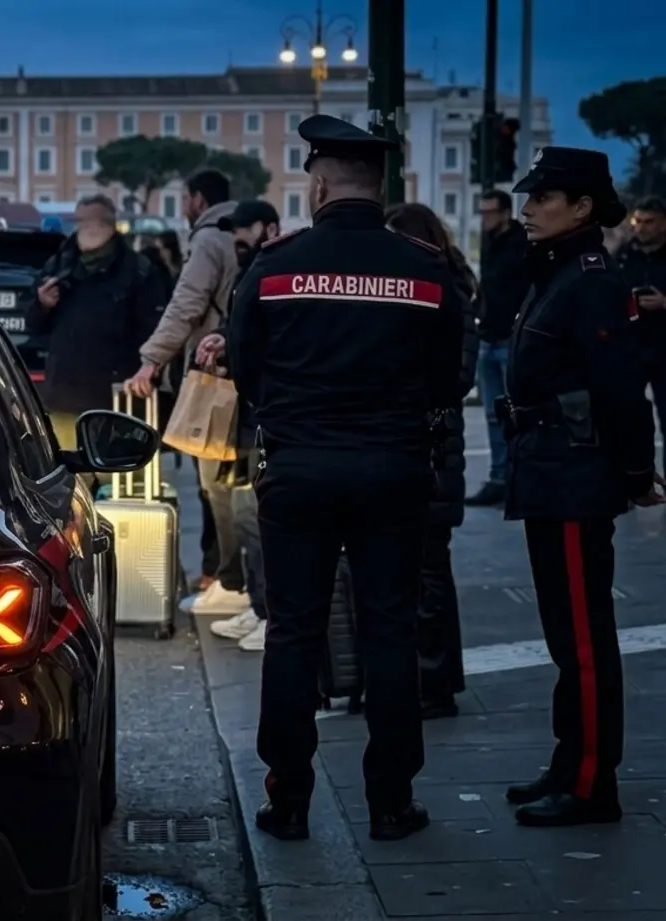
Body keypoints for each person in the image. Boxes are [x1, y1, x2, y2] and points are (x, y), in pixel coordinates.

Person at [226, 114, 467, 843]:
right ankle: (390, 800)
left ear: (319, 185)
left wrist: (293, 415)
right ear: (382, 186)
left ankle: (287, 798)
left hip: (297, 468)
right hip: (393, 468)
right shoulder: (426, 270)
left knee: (293, 632)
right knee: (388, 630)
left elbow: (245, 367)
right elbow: (449, 378)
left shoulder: (272, 268)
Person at [497, 147, 664, 827]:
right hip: (550, 466)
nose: (527, 209)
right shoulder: (560, 270)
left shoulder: (590, 278)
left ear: (582, 207)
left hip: (573, 470)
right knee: (564, 635)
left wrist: (633, 473)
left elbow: (620, 388)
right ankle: (571, 761)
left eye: (542, 198)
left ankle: (593, 781)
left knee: (584, 637)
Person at [128, 170, 248, 617]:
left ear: (198, 199)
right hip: (243, 369)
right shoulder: (237, 233)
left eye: (184, 197)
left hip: (212, 371)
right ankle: (226, 576)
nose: (183, 205)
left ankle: (226, 579)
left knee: (213, 481)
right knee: (232, 480)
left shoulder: (209, 241)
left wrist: (152, 358)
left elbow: (187, 304)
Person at [385, 203, 479, 719]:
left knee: (429, 571)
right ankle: (423, 676)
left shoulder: (448, 293)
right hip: (421, 447)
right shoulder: (435, 288)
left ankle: (436, 679)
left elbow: (455, 377)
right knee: (415, 571)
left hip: (434, 450)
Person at [29, 194, 171, 490]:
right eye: (81, 221)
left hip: (116, 400)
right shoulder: (59, 264)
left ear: (109, 224)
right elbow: (34, 326)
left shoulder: (138, 270)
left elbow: (155, 329)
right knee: (68, 488)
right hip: (64, 395)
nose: (87, 228)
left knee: (119, 488)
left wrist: (147, 372)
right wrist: (42, 304)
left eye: (94, 221)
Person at [197, 199, 283, 653]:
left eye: (245, 231)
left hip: (261, 416)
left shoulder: (273, 270)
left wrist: (231, 345)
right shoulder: (252, 270)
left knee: (254, 517)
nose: (238, 241)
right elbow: (243, 329)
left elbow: (263, 336)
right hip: (244, 415)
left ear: (269, 227)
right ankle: (258, 603)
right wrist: (224, 338)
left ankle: (270, 611)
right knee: (243, 515)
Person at [466, 191, 530, 507]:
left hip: (510, 338)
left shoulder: (523, 244)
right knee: (493, 414)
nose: (485, 218)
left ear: (505, 212)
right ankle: (499, 477)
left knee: (515, 414)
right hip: (489, 335)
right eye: (482, 212)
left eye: (490, 212)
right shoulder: (490, 242)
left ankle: (516, 478)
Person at [618, 196, 666, 457]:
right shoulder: (625, 255)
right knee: (627, 420)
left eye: (650, 222)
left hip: (663, 349)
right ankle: (632, 485)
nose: (642, 228)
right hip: (631, 348)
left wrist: (664, 303)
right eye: (638, 221)